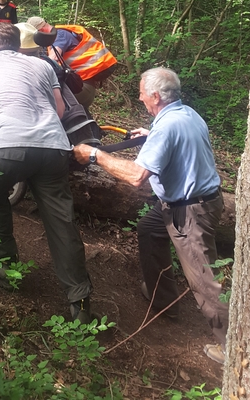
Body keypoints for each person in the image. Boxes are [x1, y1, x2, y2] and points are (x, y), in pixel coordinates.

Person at [73, 67, 228, 364]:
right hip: (185, 202)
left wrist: (95, 155)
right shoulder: (184, 115)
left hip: (189, 210)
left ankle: (234, 349)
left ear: (156, 96)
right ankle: (163, 299)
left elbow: (135, 177)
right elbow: (175, 141)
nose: (140, 97)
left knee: (203, 278)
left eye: (143, 92)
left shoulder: (168, 126)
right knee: (149, 229)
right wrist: (150, 135)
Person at [0, 23, 92, 322]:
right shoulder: (42, 65)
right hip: (54, 148)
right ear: (20, 44)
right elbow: (59, 110)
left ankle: (5, 265)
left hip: (8, 148)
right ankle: (81, 305)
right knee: (62, 222)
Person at [27, 17, 117, 109]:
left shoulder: (59, 35)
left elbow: (53, 59)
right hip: (79, 84)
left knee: (45, 99)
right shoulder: (55, 38)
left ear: (41, 30)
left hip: (83, 87)